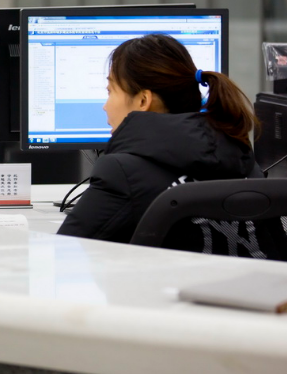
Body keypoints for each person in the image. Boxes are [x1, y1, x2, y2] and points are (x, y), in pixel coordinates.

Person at [57, 33, 285, 258]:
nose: (105, 106)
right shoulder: (243, 158)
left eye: (110, 91)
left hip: (169, 284)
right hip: (255, 283)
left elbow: (63, 254)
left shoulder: (122, 173)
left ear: (143, 101)